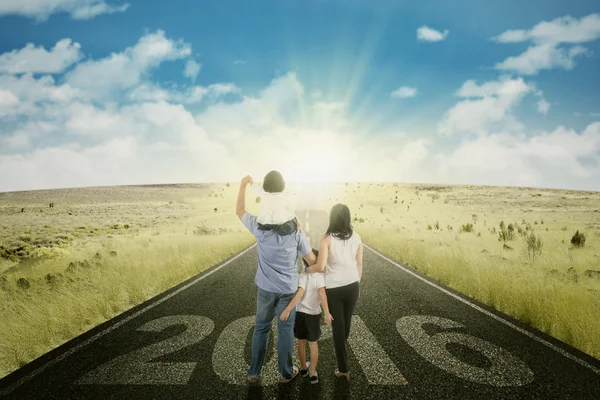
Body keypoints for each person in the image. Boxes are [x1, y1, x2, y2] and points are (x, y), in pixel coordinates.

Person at [236, 171, 317, 384]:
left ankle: (254, 372)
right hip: (289, 290)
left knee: (261, 328)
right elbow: (310, 258)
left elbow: (240, 211)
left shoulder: (257, 226)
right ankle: (286, 373)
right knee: (285, 331)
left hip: (265, 289)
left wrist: (243, 185)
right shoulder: (296, 232)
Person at [305, 203, 363, 382]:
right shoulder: (357, 237)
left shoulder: (326, 239)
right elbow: (359, 263)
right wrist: (356, 281)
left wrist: (307, 270)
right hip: (353, 286)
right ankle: (342, 354)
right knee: (345, 324)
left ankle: (344, 369)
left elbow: (321, 267)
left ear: (332, 218)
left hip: (334, 289)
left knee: (338, 327)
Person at [279, 249, 332, 384]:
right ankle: (313, 372)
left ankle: (303, 368)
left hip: (300, 314)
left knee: (301, 342)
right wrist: (326, 312)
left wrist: (287, 310)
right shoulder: (320, 276)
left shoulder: (302, 276)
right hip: (313, 315)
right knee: (313, 344)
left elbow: (299, 294)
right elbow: (321, 293)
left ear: (304, 262)